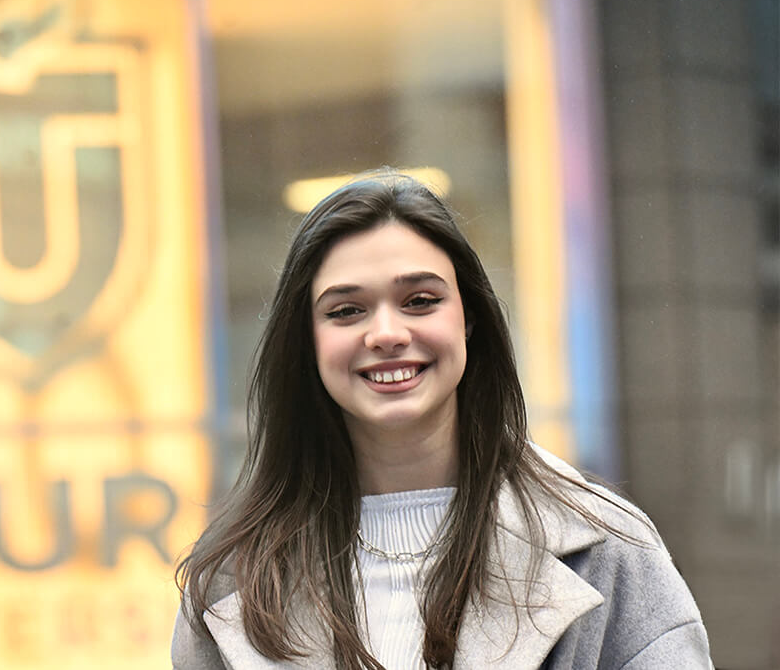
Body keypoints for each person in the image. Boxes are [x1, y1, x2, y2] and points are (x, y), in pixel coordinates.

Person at [172, 170, 712, 669]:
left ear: (468, 318)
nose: (386, 333)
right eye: (345, 310)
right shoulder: (230, 577)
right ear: (307, 342)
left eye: (420, 300)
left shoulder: (608, 551)